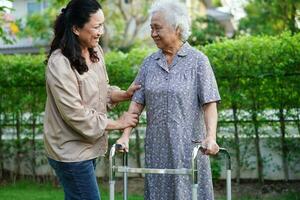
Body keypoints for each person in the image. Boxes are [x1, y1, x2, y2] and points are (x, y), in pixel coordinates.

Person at [116, 0, 221, 199]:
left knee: (190, 193)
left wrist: (211, 136)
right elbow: (136, 104)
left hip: (188, 147)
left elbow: (210, 103)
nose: (153, 34)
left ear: (177, 28)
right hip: (157, 148)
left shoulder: (198, 61)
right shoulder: (149, 63)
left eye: (157, 28)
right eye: (151, 28)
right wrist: (125, 136)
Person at [43, 0, 140, 199]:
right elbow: (75, 114)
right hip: (69, 151)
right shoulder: (59, 63)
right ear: (76, 28)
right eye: (96, 26)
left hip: (87, 148)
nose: (101, 31)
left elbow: (100, 91)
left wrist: (123, 94)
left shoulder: (95, 52)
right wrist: (118, 123)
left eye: (102, 25)